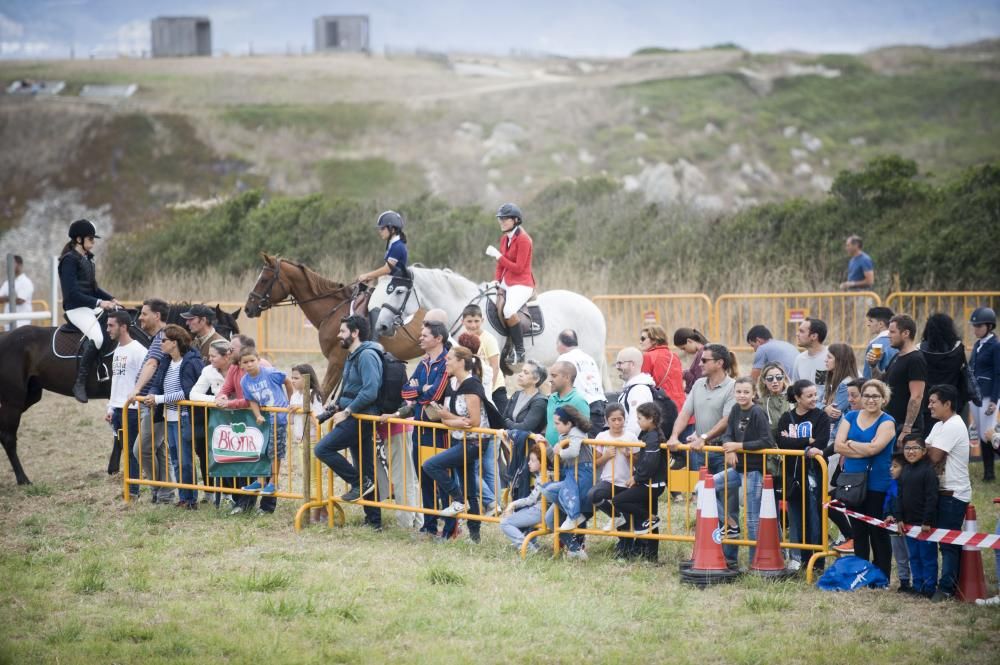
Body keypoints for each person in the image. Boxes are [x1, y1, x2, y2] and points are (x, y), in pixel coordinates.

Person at [314, 316, 383, 527]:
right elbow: (350, 390)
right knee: (366, 469)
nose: (338, 335)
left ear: (355, 333)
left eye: (342, 331)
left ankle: (359, 483)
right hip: (354, 415)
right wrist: (336, 406)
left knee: (322, 449)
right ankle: (374, 521)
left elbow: (370, 391)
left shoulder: (367, 356)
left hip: (360, 417)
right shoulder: (353, 356)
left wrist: (348, 410)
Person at [425, 344, 491, 543]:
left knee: (430, 464)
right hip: (458, 439)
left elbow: (474, 422)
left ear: (461, 362)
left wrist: (453, 419)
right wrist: (455, 420)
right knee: (470, 486)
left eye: (449, 359)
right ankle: (475, 535)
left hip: (474, 443)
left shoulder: (472, 386)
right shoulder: (450, 383)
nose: (446, 362)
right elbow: (444, 419)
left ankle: (458, 499)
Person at [833, 379, 896, 578]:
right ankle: (861, 571)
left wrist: (850, 444)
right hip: (852, 482)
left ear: (883, 399)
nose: (870, 400)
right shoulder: (850, 416)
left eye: (875, 396)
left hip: (877, 483)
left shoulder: (887, 421)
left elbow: (875, 449)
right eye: (866, 395)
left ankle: (881, 573)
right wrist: (863, 449)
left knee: (877, 531)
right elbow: (837, 446)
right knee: (859, 530)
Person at [711, 376, 773, 564]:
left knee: (752, 519)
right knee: (703, 488)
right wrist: (729, 448)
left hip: (754, 471)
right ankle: (730, 522)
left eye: (746, 392)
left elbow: (767, 441)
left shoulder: (757, 412)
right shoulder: (735, 409)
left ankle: (755, 561)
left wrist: (738, 446)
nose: (742, 395)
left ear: (754, 394)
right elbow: (727, 433)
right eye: (738, 391)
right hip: (737, 469)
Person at [58, 219, 121, 402]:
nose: (93, 242)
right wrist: (100, 302)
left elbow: (93, 288)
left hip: (88, 307)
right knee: (98, 337)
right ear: (78, 239)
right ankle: (80, 382)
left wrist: (111, 298)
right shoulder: (68, 261)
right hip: (76, 309)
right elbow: (72, 294)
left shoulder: (87, 259)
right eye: (90, 238)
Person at [400, 319, 452, 539]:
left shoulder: (447, 361)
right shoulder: (423, 363)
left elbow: (437, 394)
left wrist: (419, 392)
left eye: (424, 336)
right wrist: (422, 389)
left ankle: (449, 528)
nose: (420, 338)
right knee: (423, 478)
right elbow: (405, 392)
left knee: (441, 479)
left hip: (437, 431)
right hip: (419, 429)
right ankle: (429, 527)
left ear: (438, 339)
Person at [143, 324, 204, 509]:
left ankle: (191, 499)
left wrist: (159, 398)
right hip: (169, 417)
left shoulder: (191, 361)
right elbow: (157, 384)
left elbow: (187, 392)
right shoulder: (166, 361)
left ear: (175, 342)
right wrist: (152, 395)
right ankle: (183, 497)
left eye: (164, 341)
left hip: (184, 418)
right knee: (176, 460)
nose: (160, 344)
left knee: (185, 460)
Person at [214, 334, 272, 515]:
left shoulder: (261, 368)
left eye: (233, 348)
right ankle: (243, 502)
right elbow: (226, 388)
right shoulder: (233, 367)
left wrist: (230, 403)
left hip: (263, 419)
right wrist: (221, 397)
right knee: (242, 460)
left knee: (264, 462)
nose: (229, 351)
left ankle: (267, 506)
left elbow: (252, 399)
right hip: (244, 420)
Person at [776, 379, 831, 571]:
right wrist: (807, 440)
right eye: (809, 396)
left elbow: (821, 442)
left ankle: (815, 561)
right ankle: (796, 557)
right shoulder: (786, 417)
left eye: (815, 394)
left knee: (814, 517)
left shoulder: (821, 417)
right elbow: (781, 441)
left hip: (814, 475)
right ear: (798, 398)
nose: (814, 399)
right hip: (792, 475)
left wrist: (802, 443)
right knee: (795, 516)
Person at [924, 384, 972, 602]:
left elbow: (932, 456)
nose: (929, 405)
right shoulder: (939, 425)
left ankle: (947, 588)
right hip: (940, 491)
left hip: (953, 493)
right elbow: (922, 452)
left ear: (948, 404)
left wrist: (926, 451)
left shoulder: (953, 425)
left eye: (933, 401)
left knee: (948, 543)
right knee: (936, 539)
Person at [666, 344, 737, 478]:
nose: (699, 364)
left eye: (704, 360)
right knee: (702, 495)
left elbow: (726, 420)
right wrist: (674, 436)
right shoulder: (698, 384)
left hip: (721, 451)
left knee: (725, 497)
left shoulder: (733, 386)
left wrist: (703, 438)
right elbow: (685, 414)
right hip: (699, 451)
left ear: (719, 363)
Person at [129, 298, 174, 505]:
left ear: (157, 316)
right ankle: (165, 494)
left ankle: (159, 488)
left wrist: (136, 389)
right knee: (159, 449)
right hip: (153, 403)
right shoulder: (160, 337)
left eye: (144, 313)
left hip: (156, 405)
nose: (140, 318)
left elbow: (152, 363)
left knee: (141, 449)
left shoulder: (162, 337)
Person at [238, 346, 293, 511]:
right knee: (261, 451)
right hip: (264, 421)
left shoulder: (269, 373)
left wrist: (291, 401)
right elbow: (251, 400)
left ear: (258, 360)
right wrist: (257, 415)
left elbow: (287, 381)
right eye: (245, 362)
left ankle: (273, 482)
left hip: (279, 418)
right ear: (241, 365)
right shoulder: (245, 381)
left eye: (252, 361)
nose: (249, 365)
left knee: (275, 453)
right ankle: (260, 480)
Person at [885, 435, 939, 598]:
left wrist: (927, 521)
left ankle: (929, 588)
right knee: (913, 556)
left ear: (923, 451)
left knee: (927, 557)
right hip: (907, 524)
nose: (911, 451)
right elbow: (899, 497)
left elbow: (932, 498)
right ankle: (917, 586)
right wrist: (900, 518)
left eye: (915, 448)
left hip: (924, 525)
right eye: (907, 448)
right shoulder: (905, 471)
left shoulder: (928, 472)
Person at [609, 402, 667, 552]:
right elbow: (645, 461)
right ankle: (651, 553)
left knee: (618, 500)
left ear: (650, 419)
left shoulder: (653, 437)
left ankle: (648, 518)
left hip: (652, 485)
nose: (637, 421)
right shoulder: (648, 434)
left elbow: (650, 463)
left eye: (640, 418)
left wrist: (636, 478)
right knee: (652, 520)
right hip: (650, 483)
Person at [537, 404, 593, 559]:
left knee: (548, 489)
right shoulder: (564, 436)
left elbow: (573, 452)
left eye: (557, 423)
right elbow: (557, 458)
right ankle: (575, 549)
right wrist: (547, 445)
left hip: (582, 476)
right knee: (550, 520)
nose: (555, 427)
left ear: (569, 423)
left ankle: (574, 514)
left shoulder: (576, 432)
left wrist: (559, 451)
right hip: (570, 476)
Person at [486, 202, 534, 366]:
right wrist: (497, 280)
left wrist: (498, 256)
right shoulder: (504, 238)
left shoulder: (524, 240)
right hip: (507, 281)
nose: (501, 221)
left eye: (505, 219)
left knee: (508, 310)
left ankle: (520, 351)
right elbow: (500, 266)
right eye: (500, 219)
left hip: (522, 283)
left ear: (515, 220)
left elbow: (519, 268)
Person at [104, 310, 145, 496]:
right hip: (119, 409)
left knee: (131, 452)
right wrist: (111, 406)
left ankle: (134, 491)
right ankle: (129, 488)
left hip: (133, 409)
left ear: (123, 327)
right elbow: (116, 381)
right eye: (107, 325)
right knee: (124, 450)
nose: (107, 329)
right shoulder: (117, 350)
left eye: (111, 325)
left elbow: (144, 381)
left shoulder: (139, 351)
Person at [189, 339, 234, 504]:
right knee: (221, 456)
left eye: (214, 356)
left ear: (226, 356)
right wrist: (215, 399)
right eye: (209, 356)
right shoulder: (208, 371)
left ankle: (240, 494)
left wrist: (231, 402)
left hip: (242, 419)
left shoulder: (238, 369)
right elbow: (193, 394)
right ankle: (226, 493)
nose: (210, 359)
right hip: (220, 420)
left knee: (240, 457)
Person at [872, 314, 926, 439]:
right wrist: (873, 365)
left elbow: (917, 396)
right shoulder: (897, 356)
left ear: (905, 333)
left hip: (905, 429)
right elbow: (882, 382)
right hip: (891, 423)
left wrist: (907, 428)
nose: (888, 335)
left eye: (892, 332)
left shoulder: (915, 359)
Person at [918, 313, 967, 437]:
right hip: (951, 402)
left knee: (929, 439)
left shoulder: (920, 350)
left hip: (927, 403)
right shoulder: (958, 349)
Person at [586, 404, 632, 532]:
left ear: (624, 419)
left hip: (627, 483)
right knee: (593, 495)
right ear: (607, 420)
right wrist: (605, 456)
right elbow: (595, 463)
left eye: (620, 419)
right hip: (608, 481)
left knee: (626, 524)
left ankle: (625, 549)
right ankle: (615, 515)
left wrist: (628, 454)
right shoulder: (602, 436)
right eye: (613, 420)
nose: (617, 423)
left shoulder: (631, 437)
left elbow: (639, 462)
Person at [556, 329, 607, 437]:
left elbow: (558, 385)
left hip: (580, 407)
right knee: (593, 447)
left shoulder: (564, 359)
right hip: (599, 404)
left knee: (579, 447)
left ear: (560, 343)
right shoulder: (589, 358)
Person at [969, 307, 1000, 482]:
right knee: (981, 434)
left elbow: (998, 373)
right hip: (976, 396)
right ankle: (988, 471)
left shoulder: (995, 345)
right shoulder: (977, 345)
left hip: (989, 395)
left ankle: (990, 473)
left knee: (989, 433)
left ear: (989, 326)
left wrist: (995, 400)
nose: (975, 329)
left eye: (978, 326)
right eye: (974, 326)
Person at [499, 441, 546, 553]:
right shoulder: (541, 475)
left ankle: (528, 548)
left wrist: (513, 504)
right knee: (512, 516)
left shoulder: (543, 478)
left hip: (539, 511)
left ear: (542, 462)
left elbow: (531, 500)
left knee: (505, 522)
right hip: (538, 510)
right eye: (529, 460)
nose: (529, 463)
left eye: (533, 460)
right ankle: (531, 543)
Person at [459, 304, 505, 410]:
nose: (473, 325)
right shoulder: (463, 339)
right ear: (462, 321)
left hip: (494, 387)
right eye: (469, 321)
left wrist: (489, 390)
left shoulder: (489, 339)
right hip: (476, 387)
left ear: (482, 320)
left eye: (476, 321)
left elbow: (495, 366)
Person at [640, 324, 686, 416]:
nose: (640, 342)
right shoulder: (674, 356)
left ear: (654, 340)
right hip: (682, 408)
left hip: (663, 409)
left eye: (643, 338)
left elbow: (643, 386)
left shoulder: (647, 356)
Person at [883, 454, 912, 592]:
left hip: (909, 527)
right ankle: (904, 582)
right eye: (891, 466)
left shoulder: (910, 485)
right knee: (900, 556)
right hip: (894, 528)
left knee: (912, 555)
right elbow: (887, 502)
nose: (891, 469)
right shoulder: (890, 485)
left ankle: (919, 582)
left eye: (895, 466)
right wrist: (887, 515)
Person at [544, 361, 590, 448]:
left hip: (568, 457)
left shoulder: (578, 400)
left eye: (554, 376)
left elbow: (584, 431)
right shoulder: (552, 398)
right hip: (549, 455)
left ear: (567, 377)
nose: (550, 380)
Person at [357, 210, 408, 283]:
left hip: (396, 285)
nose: (380, 231)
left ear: (392, 229)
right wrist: (373, 277)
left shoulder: (398, 246)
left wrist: (367, 275)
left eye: (382, 228)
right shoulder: (394, 244)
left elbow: (387, 269)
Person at [615, 346, 655, 439]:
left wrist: (625, 444)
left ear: (632, 364)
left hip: (632, 450)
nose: (617, 367)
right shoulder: (632, 388)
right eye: (617, 363)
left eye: (620, 363)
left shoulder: (639, 390)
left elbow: (635, 423)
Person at [823, 343, 859, 441]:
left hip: (839, 436)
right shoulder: (832, 380)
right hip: (833, 433)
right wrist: (824, 407)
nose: (825, 360)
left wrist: (822, 408)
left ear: (840, 361)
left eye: (829, 357)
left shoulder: (846, 383)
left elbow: (833, 414)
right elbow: (819, 402)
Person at [501, 360, 548, 434]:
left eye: (526, 373)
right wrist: (508, 422)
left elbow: (525, 428)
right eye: (521, 371)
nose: (520, 374)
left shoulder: (540, 401)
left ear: (536, 379)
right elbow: (503, 418)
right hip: (510, 442)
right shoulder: (516, 394)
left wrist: (507, 422)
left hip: (527, 443)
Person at [791, 318, 829, 404]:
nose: (797, 334)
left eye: (801, 331)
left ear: (814, 336)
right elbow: (795, 388)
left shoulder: (832, 356)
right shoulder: (799, 359)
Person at [756, 361, 792, 439]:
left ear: (784, 378)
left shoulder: (795, 399)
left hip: (793, 446)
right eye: (770, 378)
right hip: (770, 447)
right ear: (764, 381)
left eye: (779, 377)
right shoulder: (760, 404)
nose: (775, 381)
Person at [863, 306, 897, 380]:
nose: (868, 324)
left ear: (881, 324)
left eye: (871, 321)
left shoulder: (875, 345)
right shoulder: (899, 342)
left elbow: (868, 376)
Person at [0, 255, 34, 327]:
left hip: (22, 324)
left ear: (20, 265)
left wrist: (6, 298)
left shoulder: (26, 282)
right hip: (8, 324)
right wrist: (12, 297)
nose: (9, 267)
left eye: (13, 264)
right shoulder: (7, 282)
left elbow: (20, 300)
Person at [673, 327, 709, 393]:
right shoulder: (704, 351)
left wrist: (684, 374)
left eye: (684, 348)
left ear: (689, 341)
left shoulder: (702, 354)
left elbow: (699, 381)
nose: (685, 351)